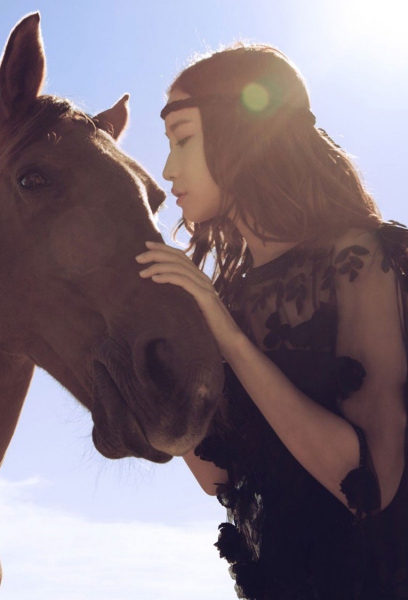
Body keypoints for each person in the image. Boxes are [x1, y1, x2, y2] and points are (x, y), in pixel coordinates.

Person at [135, 43, 408, 599]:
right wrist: (146, 360)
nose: (168, 169)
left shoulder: (361, 257)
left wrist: (228, 338)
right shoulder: (227, 298)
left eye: (183, 137)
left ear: (241, 133)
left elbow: (372, 484)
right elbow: (226, 480)